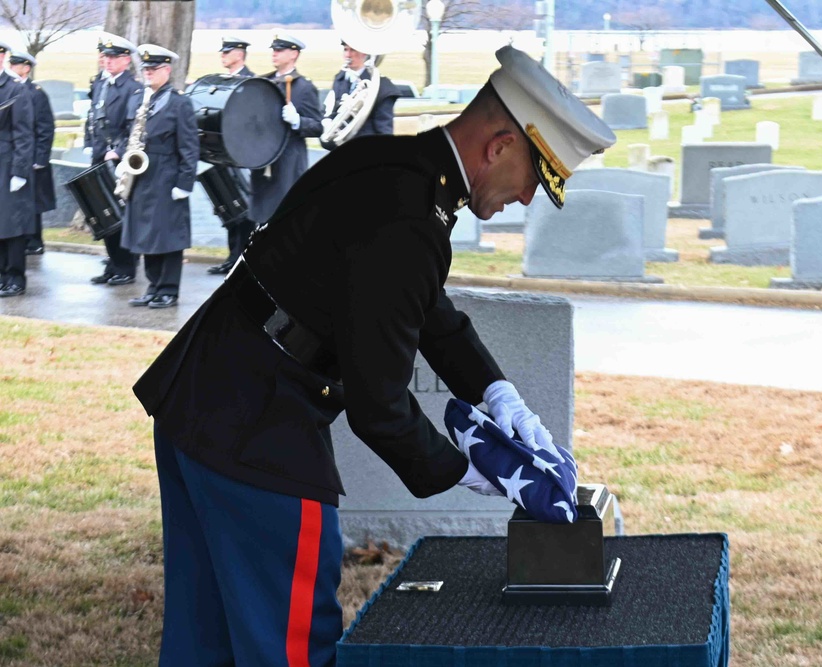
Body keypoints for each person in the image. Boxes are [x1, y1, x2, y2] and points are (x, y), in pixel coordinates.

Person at [132, 45, 616, 664]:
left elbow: (425, 310)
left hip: (205, 395)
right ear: (499, 146)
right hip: (259, 427)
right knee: (290, 644)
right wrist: (474, 472)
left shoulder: (393, 168)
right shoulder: (409, 215)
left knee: (206, 638)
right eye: (532, 180)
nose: (525, 200)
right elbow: (379, 405)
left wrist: (498, 393)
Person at [119, 44, 199, 309]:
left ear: (167, 70)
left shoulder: (179, 103)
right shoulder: (140, 99)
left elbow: (189, 147)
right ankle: (153, 286)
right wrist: (123, 160)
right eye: (145, 69)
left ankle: (168, 290)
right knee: (146, 235)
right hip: (142, 176)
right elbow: (130, 134)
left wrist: (185, 183)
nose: (148, 73)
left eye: (153, 69)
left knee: (168, 235)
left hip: (167, 176)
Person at [248, 33, 323, 227]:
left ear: (294, 55)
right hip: (263, 161)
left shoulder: (304, 87)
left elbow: (317, 126)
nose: (274, 54)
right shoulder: (264, 83)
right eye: (274, 50)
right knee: (261, 219)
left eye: (280, 50)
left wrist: (298, 121)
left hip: (288, 163)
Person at [88, 34, 143, 287]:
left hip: (118, 160)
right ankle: (113, 263)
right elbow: (94, 120)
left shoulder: (133, 88)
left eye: (114, 57)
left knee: (121, 215)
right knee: (104, 213)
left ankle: (126, 266)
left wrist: (119, 151)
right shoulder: (102, 84)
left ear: (126, 60)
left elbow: (134, 127)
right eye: (106, 57)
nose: (108, 61)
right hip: (100, 156)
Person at [206, 35, 256, 277]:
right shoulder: (223, 81)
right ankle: (231, 257)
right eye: (222, 52)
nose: (223, 56)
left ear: (240, 53)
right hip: (225, 154)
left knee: (244, 211)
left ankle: (242, 259)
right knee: (228, 208)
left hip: (243, 155)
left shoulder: (252, 83)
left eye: (227, 52)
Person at [8, 50, 56, 256]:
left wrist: (40, 158)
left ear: (26, 68)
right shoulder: (10, 90)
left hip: (33, 156)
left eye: (15, 65)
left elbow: (45, 128)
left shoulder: (36, 93)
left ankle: (35, 240)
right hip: (16, 155)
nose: (11, 69)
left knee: (33, 202)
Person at [0, 41, 35, 298]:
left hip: (7, 163)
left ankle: (14, 277)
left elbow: (24, 134)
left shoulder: (14, 90)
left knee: (11, 226)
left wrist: (20, 171)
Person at [319, 38, 399, 150]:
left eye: (353, 50)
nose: (348, 55)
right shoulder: (340, 79)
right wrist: (328, 122)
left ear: (365, 53)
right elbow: (335, 110)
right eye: (345, 50)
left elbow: (384, 130)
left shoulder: (381, 86)